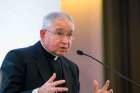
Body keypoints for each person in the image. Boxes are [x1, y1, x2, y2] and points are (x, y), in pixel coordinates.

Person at [0, 12, 113, 93]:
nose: (65, 41)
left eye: (69, 35)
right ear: (43, 34)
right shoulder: (18, 58)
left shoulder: (72, 68)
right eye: (59, 33)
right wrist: (37, 92)